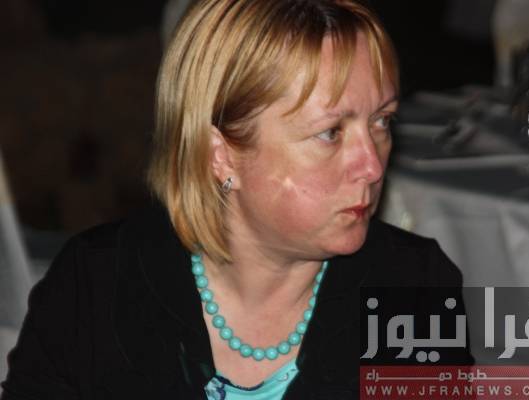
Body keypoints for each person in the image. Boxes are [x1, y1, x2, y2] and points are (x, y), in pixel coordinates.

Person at [1, 0, 472, 398]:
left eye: (382, 121)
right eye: (331, 132)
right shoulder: (96, 285)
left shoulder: (412, 287)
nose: (372, 165)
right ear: (220, 154)